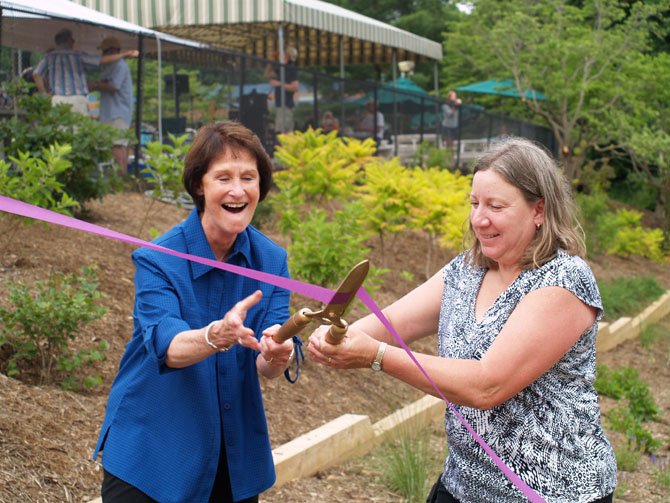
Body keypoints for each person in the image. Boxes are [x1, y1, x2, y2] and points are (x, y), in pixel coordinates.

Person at [307, 137, 617, 502]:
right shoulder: (467, 271)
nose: (479, 218)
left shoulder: (562, 280)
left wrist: (375, 356)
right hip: (464, 484)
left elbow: (486, 387)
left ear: (538, 210)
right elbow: (391, 324)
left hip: (551, 492)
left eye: (496, 206)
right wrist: (323, 340)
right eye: (475, 203)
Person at [93, 121, 298, 502]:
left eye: (248, 178)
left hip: (231, 457)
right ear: (199, 186)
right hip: (150, 454)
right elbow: (169, 345)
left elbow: (267, 363)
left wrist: (278, 352)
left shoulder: (272, 260)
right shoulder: (158, 259)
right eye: (223, 177)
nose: (238, 190)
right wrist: (215, 335)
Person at [32, 28, 138, 116]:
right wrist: (124, 54)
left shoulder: (49, 57)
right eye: (72, 39)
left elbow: (36, 74)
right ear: (68, 40)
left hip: (57, 99)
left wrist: (44, 94)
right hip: (77, 99)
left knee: (61, 136)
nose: (73, 42)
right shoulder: (78, 55)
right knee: (78, 135)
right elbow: (101, 60)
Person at [88, 37, 135, 175]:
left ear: (113, 51)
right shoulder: (110, 66)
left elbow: (114, 86)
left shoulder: (120, 65)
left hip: (118, 112)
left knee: (118, 145)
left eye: (105, 51)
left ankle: (122, 176)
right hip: (111, 112)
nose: (103, 55)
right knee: (114, 144)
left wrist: (95, 85)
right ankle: (119, 175)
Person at [263, 47, 299, 134]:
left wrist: (278, 84)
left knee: (285, 131)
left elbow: (295, 87)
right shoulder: (280, 69)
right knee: (280, 130)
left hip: (286, 104)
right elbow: (266, 74)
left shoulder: (291, 69)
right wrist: (271, 61)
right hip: (279, 104)